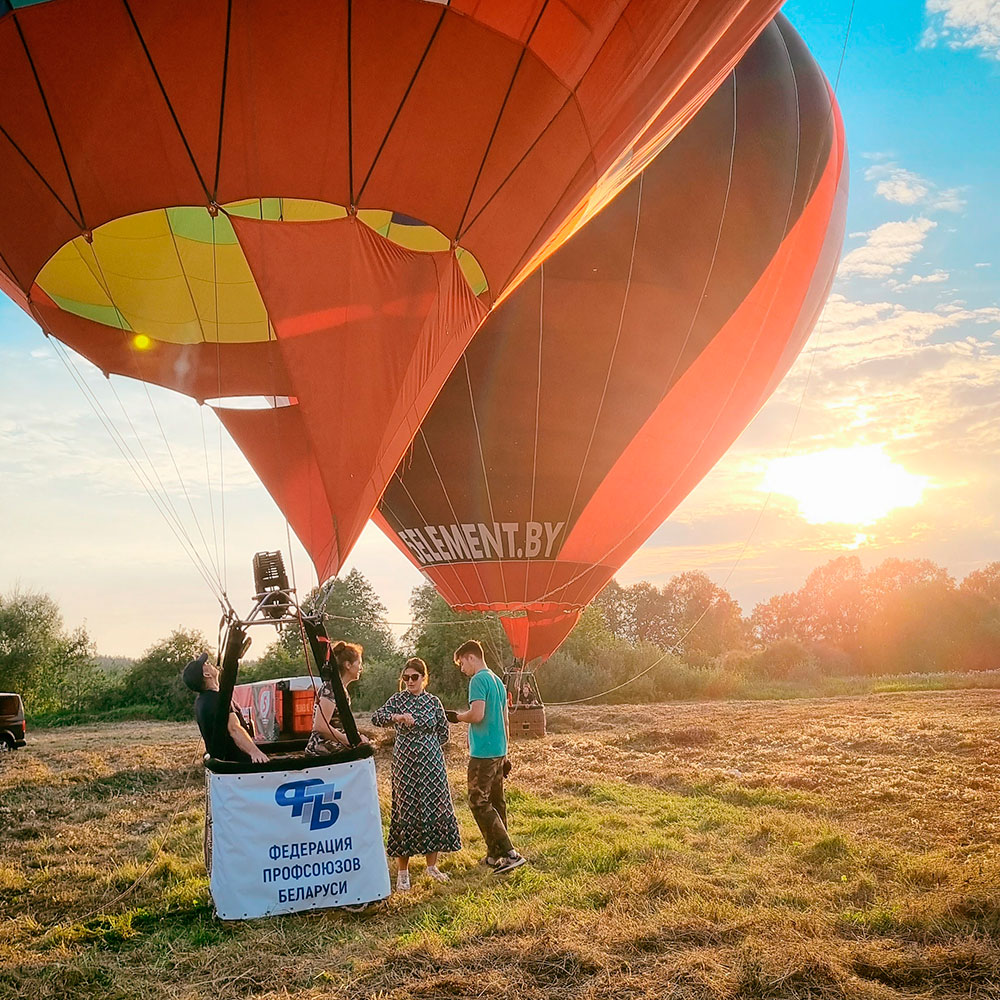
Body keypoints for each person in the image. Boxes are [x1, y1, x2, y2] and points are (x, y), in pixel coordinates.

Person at [370, 658, 462, 891]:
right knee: (405, 811)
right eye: (406, 677)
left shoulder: (433, 702)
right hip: (406, 766)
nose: (410, 681)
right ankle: (403, 872)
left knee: (433, 808)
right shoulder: (398, 700)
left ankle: (432, 866)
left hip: (432, 766)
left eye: (414, 677)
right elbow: (376, 718)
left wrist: (427, 747)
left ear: (424, 678)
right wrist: (397, 718)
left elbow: (444, 733)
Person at [450, 639, 526, 875]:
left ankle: (510, 853)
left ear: (471, 657)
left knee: (478, 801)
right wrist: (506, 753)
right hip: (498, 750)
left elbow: (477, 714)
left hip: (483, 753)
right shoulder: (497, 681)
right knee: (496, 801)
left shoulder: (478, 680)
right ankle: (494, 855)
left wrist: (457, 717)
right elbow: (505, 719)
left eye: (462, 663)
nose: (462, 669)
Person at [182, 652, 268, 764]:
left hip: (226, 759)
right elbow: (234, 729)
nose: (210, 664)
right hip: (237, 762)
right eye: (206, 664)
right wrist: (255, 752)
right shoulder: (218, 700)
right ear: (206, 674)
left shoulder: (202, 701)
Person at [304, 640, 370, 754]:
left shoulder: (340, 690)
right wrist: (351, 740)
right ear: (348, 665)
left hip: (334, 749)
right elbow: (320, 726)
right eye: (359, 663)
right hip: (322, 753)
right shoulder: (332, 689)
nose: (361, 668)